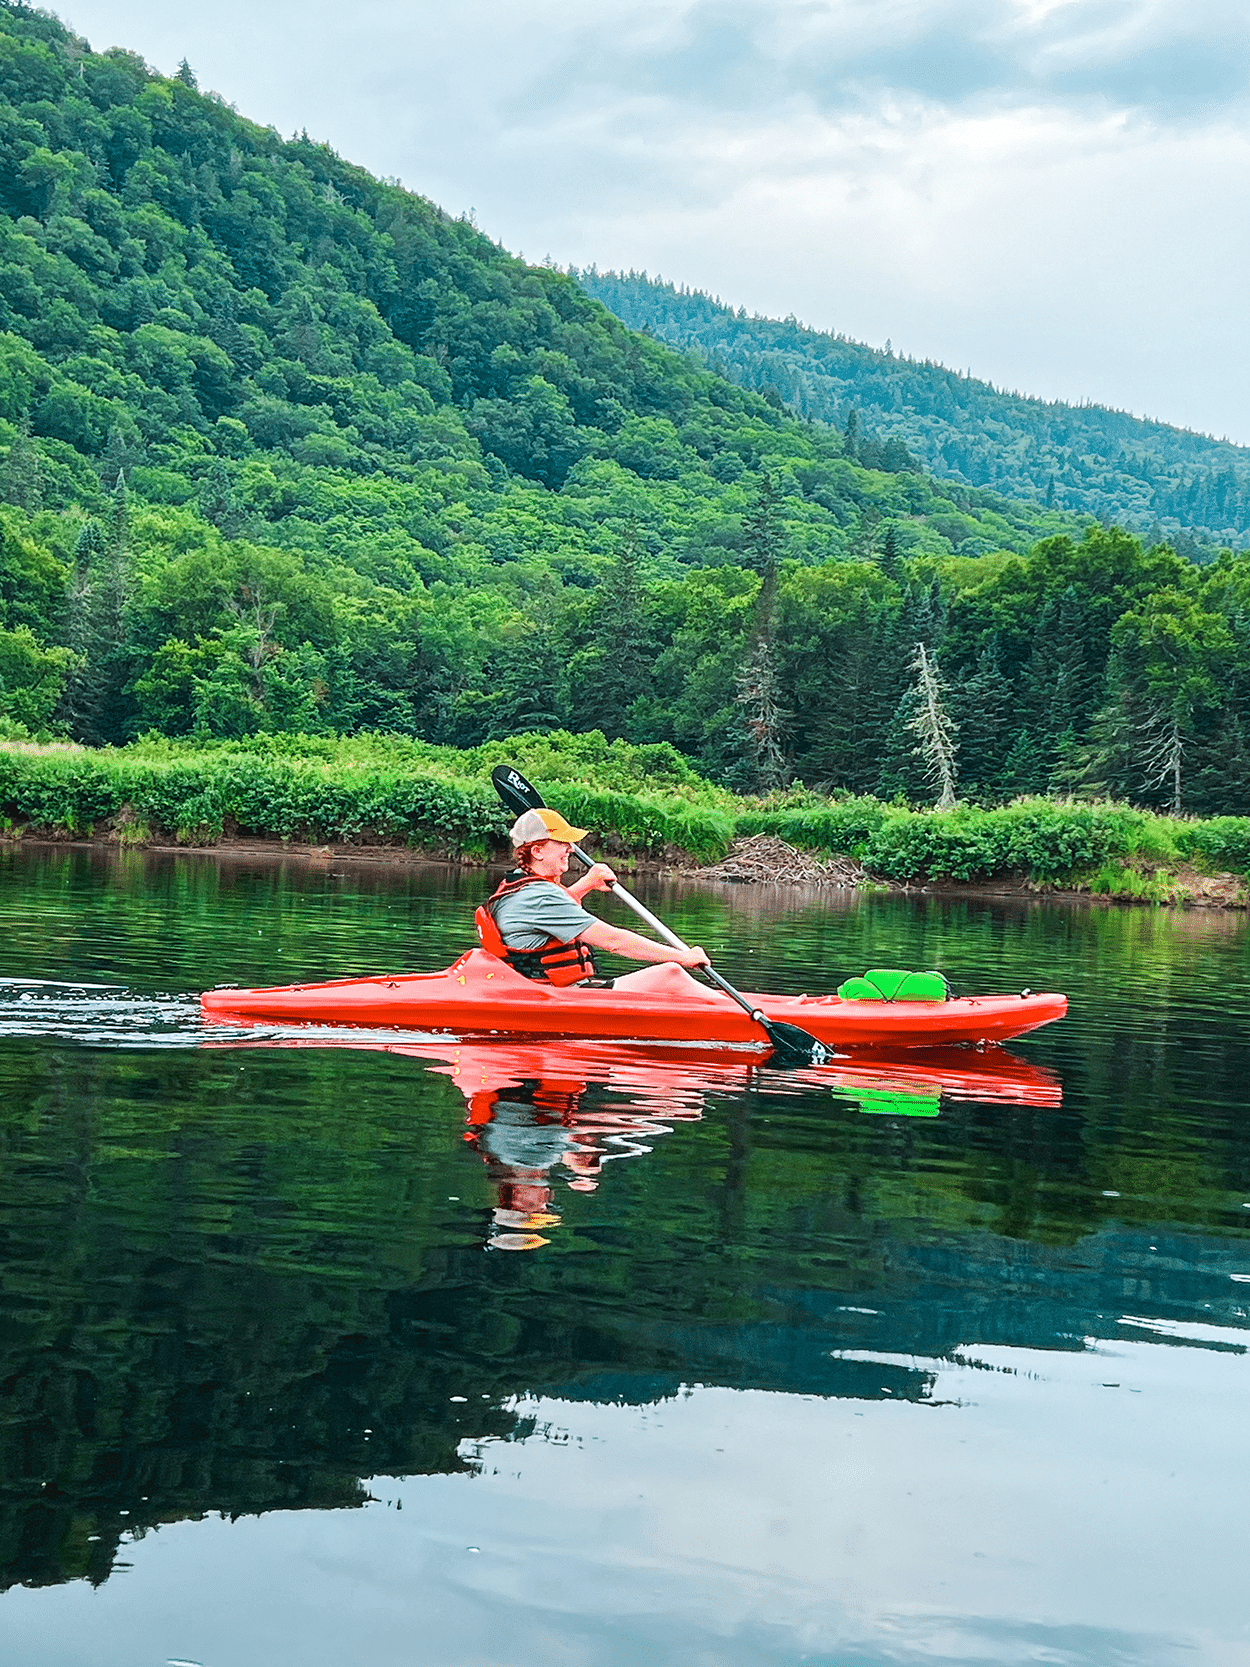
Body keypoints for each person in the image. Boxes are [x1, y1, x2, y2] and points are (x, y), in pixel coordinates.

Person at [475, 806, 710, 986]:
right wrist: (683, 956)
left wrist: (586, 884)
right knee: (670, 974)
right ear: (537, 851)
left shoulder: (518, 886)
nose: (571, 849)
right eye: (562, 842)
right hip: (557, 997)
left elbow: (554, 912)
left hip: (552, 990)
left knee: (668, 975)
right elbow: (614, 942)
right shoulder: (541, 896)